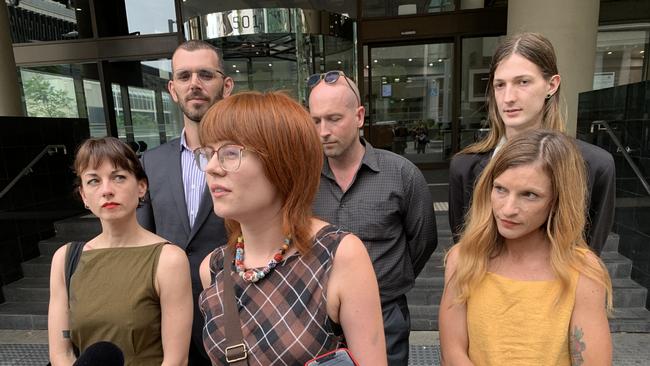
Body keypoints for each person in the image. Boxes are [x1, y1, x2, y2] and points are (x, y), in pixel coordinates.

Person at [196, 91, 387, 365]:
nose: (212, 167)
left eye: (229, 152)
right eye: (207, 153)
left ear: (283, 162)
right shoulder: (214, 268)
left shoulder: (337, 255)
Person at [439, 130, 613, 365]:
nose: (508, 208)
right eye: (500, 189)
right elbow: (453, 353)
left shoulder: (582, 271)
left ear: (557, 201)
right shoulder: (464, 259)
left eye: (529, 195)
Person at [308, 70, 437, 365]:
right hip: (319, 319)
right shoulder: (305, 180)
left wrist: (388, 281)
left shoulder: (402, 174)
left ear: (359, 116)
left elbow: (424, 241)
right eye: (316, 120)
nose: (323, 131)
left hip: (384, 314)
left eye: (334, 118)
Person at [448, 32, 615, 255]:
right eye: (500, 85)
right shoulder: (464, 166)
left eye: (522, 82)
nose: (508, 97)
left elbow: (589, 255)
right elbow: (465, 248)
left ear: (552, 85)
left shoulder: (594, 165)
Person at [48, 137, 193, 366]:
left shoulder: (168, 259)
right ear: (84, 195)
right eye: (93, 181)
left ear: (141, 187)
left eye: (119, 178)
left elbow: (176, 360)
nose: (107, 190)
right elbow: (61, 354)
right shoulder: (66, 259)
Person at [137, 40, 234, 365]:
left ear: (226, 85)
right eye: (184, 76)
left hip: (238, 311)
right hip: (170, 317)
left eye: (205, 74)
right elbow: (142, 244)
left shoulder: (248, 158)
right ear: (173, 89)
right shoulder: (150, 163)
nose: (195, 84)